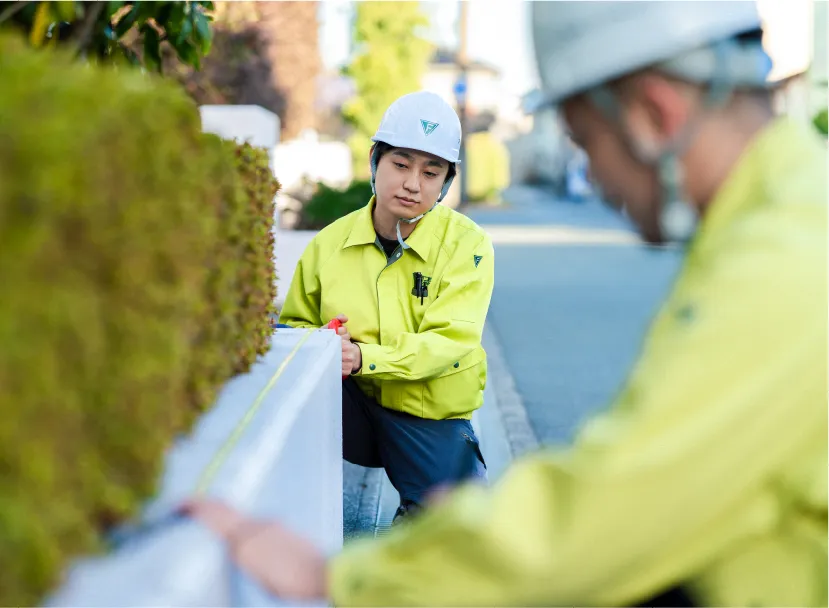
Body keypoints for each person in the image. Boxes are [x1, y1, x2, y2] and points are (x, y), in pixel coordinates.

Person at [183, 2, 827, 606]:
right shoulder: (782, 216)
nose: (594, 181)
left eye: (584, 141)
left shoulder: (784, 261)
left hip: (430, 415)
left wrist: (343, 578)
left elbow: (606, 512)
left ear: (653, 117)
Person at [276, 90, 494, 523]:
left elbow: (450, 341)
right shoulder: (328, 245)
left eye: (431, 173)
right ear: (375, 160)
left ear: (446, 183)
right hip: (352, 405)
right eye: (400, 164)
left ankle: (420, 510)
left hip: (426, 414)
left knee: (464, 527)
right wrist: (320, 344)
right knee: (284, 387)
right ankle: (294, 523)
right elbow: (294, 327)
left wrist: (363, 357)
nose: (413, 183)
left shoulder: (468, 246)